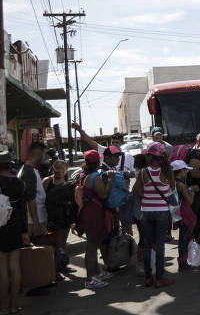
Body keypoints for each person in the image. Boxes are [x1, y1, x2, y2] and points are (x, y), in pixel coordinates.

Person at [0, 151, 30, 315]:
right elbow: (23, 210)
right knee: (15, 269)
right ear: (11, 165)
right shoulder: (20, 183)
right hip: (16, 228)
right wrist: (24, 231)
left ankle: (2, 308)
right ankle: (14, 305)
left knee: (2, 272)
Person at [132, 143, 175, 288]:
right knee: (160, 246)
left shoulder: (144, 172)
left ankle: (148, 278)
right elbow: (173, 188)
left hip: (146, 212)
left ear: (151, 156)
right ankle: (159, 278)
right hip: (162, 212)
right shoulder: (167, 170)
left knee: (147, 245)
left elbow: (135, 190)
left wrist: (146, 197)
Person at [76, 150, 116, 289]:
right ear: (98, 162)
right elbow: (104, 194)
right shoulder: (94, 177)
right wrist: (110, 180)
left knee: (94, 244)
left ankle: (96, 273)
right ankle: (90, 279)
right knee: (92, 247)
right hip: (92, 215)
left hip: (89, 214)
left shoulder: (84, 175)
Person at [71, 123, 135, 175]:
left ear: (122, 143)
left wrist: (123, 174)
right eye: (113, 142)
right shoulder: (105, 151)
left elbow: (134, 173)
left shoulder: (128, 156)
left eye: (117, 142)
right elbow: (90, 142)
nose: (114, 144)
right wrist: (80, 130)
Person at [171, 160, 198, 272]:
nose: (186, 173)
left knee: (183, 239)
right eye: (185, 170)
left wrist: (190, 189)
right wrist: (193, 191)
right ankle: (182, 263)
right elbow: (190, 201)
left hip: (178, 214)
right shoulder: (181, 185)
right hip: (185, 214)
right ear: (180, 171)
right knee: (184, 240)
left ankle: (183, 262)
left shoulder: (172, 183)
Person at [43, 160, 74, 257]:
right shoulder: (47, 181)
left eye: (62, 168)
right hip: (51, 218)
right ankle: (56, 267)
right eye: (57, 168)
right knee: (55, 242)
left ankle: (63, 264)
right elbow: (41, 201)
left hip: (65, 217)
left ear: (66, 170)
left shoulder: (68, 181)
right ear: (53, 168)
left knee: (63, 242)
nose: (59, 170)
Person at [18, 141, 48, 241]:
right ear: (39, 154)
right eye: (44, 154)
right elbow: (31, 200)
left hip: (35, 219)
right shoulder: (28, 172)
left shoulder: (30, 170)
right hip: (33, 221)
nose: (44, 157)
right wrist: (36, 223)